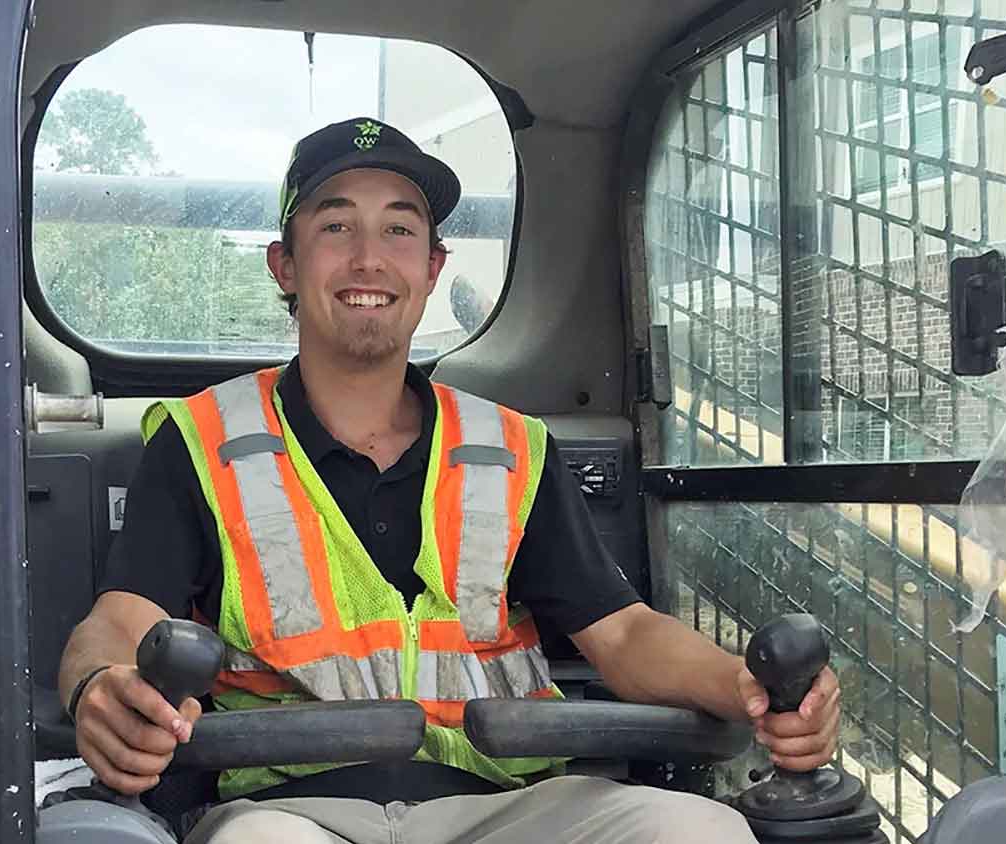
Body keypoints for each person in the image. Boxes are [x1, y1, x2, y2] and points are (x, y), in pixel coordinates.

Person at [57, 117, 841, 843]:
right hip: (292, 806)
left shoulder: (510, 448)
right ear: (285, 265)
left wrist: (744, 683)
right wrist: (99, 683)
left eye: (399, 229)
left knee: (700, 832)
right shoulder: (200, 441)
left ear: (431, 269)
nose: (369, 258)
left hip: (509, 799)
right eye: (336, 226)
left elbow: (625, 633)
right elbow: (122, 618)